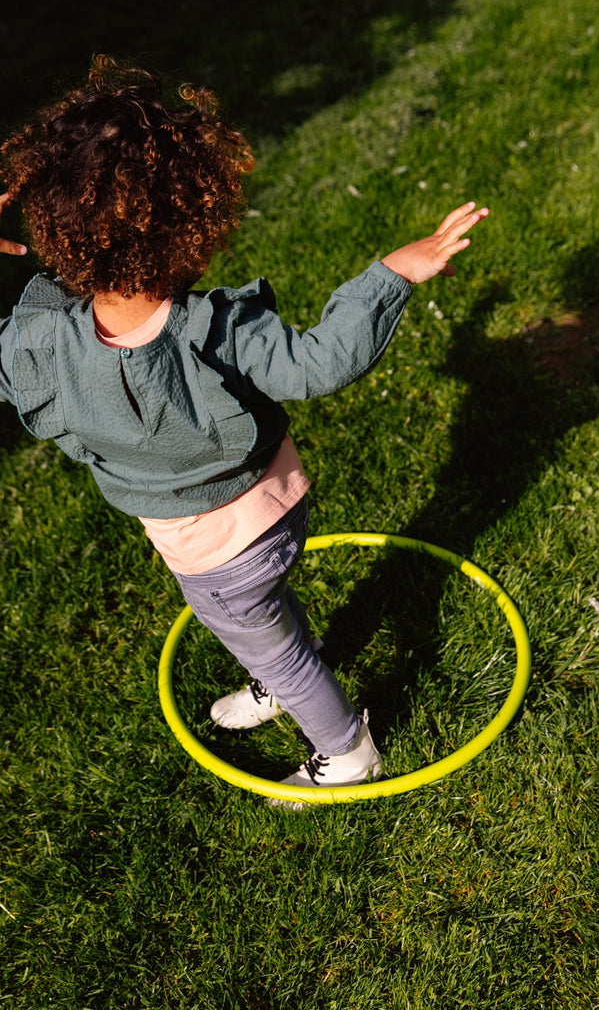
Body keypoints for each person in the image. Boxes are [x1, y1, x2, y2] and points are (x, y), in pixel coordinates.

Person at [0, 57, 489, 807]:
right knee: (268, 617)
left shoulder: (38, 351)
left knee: (267, 638)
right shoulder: (219, 328)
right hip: (281, 505)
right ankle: (278, 665)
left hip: (214, 556)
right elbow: (323, 360)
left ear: (56, 228)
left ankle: (346, 748)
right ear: (190, 227)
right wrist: (391, 273)